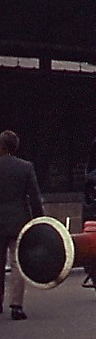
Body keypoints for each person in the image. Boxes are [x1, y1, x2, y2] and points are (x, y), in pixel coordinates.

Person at [0, 130, 44, 320]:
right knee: (17, 264)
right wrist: (39, 220)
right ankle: (16, 305)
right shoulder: (25, 167)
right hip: (19, 221)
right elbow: (34, 197)